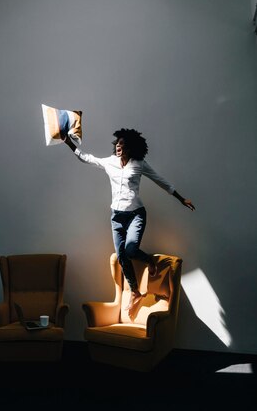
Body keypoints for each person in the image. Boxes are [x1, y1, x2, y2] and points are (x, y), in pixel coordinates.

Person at [63, 128, 195, 316]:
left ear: (131, 147)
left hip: (136, 214)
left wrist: (182, 199)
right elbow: (87, 158)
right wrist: (69, 143)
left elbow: (160, 180)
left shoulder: (139, 164)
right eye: (117, 143)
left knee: (131, 249)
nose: (118, 146)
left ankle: (149, 260)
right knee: (121, 255)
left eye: (122, 144)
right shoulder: (110, 162)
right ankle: (135, 291)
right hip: (117, 216)